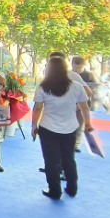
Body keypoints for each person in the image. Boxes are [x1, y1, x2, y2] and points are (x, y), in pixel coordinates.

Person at [30, 58, 93, 200]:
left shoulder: (43, 87)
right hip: (70, 128)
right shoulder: (76, 86)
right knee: (69, 159)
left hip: (48, 128)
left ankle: (55, 191)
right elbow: (84, 107)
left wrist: (34, 125)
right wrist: (88, 123)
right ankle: (72, 188)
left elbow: (38, 108)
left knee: (51, 161)